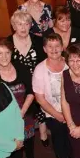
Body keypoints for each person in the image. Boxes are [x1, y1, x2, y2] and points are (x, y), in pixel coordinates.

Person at [0, 38, 39, 158]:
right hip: (5, 119)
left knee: (29, 141)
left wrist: (22, 112)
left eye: (7, 52)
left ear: (11, 53)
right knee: (13, 147)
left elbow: (31, 91)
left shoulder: (21, 67)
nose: (4, 57)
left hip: (25, 113)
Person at [32, 33, 77, 158]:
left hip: (73, 109)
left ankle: (74, 156)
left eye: (57, 46)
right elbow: (40, 98)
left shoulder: (71, 63)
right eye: (50, 46)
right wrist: (57, 115)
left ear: (62, 47)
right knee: (59, 137)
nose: (54, 49)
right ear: (44, 49)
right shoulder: (39, 70)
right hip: (52, 112)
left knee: (73, 135)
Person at [8, 10, 49, 148]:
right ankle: (23, 135)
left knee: (41, 107)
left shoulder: (38, 40)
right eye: (19, 24)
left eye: (26, 23)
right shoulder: (7, 43)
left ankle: (43, 132)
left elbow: (44, 62)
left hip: (38, 82)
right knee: (24, 111)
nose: (23, 27)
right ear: (14, 26)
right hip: (18, 85)